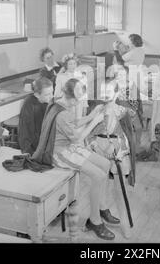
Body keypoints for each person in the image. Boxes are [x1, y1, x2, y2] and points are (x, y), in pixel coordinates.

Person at [52, 78, 119, 241]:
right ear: (71, 97)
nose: (78, 104)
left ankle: (102, 208)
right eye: (77, 101)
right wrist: (95, 121)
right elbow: (78, 137)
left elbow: (75, 122)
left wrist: (91, 114)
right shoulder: (61, 112)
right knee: (99, 175)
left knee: (105, 163)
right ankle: (94, 221)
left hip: (70, 145)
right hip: (60, 152)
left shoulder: (62, 104)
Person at [87, 78, 135, 238]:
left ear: (116, 93)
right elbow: (89, 134)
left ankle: (125, 224)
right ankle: (100, 212)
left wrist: (119, 150)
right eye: (103, 91)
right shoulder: (97, 109)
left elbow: (128, 135)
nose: (105, 94)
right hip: (99, 150)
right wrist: (95, 145)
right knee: (100, 184)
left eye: (108, 91)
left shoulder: (122, 111)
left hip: (118, 151)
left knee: (120, 190)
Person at [18, 77, 53, 155]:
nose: (51, 96)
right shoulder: (29, 106)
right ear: (37, 94)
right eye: (47, 94)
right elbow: (25, 132)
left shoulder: (47, 101)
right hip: (34, 148)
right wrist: (28, 153)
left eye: (52, 92)